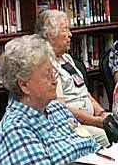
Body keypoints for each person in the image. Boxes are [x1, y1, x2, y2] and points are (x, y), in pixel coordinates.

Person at [0, 35, 100, 165]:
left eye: (53, 73)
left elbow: (93, 147)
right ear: (24, 85)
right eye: (47, 75)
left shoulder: (57, 109)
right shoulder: (16, 129)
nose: (55, 81)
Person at [36, 9, 109, 147]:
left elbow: (84, 91)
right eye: (65, 30)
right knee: (105, 137)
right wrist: (95, 121)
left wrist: (101, 112)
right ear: (50, 35)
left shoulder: (67, 58)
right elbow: (60, 108)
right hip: (71, 123)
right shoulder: (46, 65)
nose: (70, 34)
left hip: (92, 118)